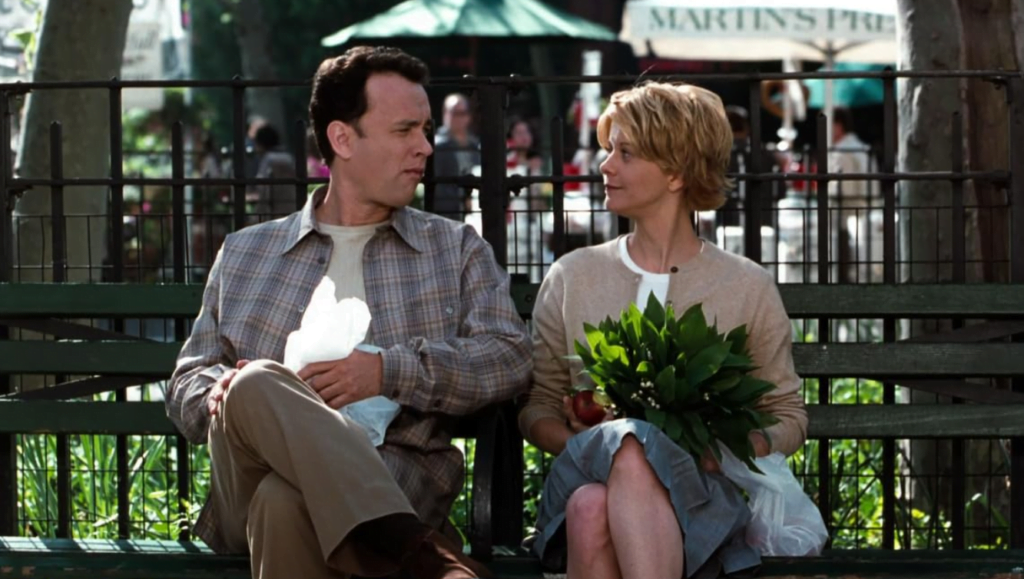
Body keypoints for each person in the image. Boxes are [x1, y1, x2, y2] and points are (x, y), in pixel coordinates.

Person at [166, 46, 532, 579]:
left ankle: (399, 543)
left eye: (427, 130)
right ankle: (423, 556)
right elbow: (185, 383)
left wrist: (387, 371)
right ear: (342, 139)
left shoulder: (453, 250)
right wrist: (223, 392)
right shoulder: (247, 252)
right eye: (405, 130)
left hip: (397, 478)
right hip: (244, 483)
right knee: (254, 385)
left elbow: (510, 358)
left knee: (282, 501)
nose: (425, 147)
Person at [518, 82, 808, 579]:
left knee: (592, 508)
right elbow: (538, 408)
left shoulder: (744, 286)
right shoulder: (573, 275)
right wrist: (604, 447)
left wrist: (715, 453)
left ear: (675, 173)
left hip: (696, 497)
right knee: (627, 450)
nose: (605, 165)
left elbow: (789, 417)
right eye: (610, 149)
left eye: (625, 153)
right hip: (581, 474)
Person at [432, 93, 479, 220]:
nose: (458, 118)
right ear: (445, 113)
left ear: (468, 116)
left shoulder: (475, 145)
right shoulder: (437, 145)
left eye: (462, 113)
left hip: (475, 211)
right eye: (454, 113)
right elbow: (437, 186)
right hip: (446, 214)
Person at [250, 124, 299, 219]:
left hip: (273, 211)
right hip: (293, 209)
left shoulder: (268, 159)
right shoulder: (289, 158)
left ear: (260, 143)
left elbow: (263, 186)